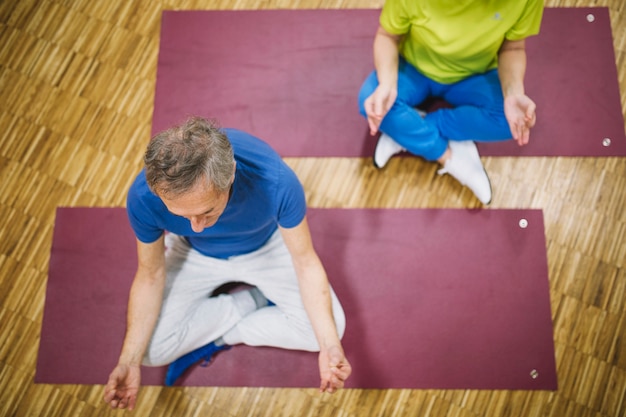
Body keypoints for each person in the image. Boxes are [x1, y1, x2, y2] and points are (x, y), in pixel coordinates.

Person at [104, 117, 351, 410]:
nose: (197, 226)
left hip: (267, 246)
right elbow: (150, 274)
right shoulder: (144, 197)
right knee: (148, 353)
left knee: (330, 330)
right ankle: (253, 300)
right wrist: (127, 361)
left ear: (231, 173)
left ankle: (222, 337)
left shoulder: (276, 182)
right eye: (183, 216)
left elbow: (305, 261)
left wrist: (330, 347)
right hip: (193, 255)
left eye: (206, 211)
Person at [358, 0, 544, 205]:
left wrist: (513, 92)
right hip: (414, 69)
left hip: (474, 76)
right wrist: (387, 84)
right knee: (370, 100)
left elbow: (514, 48)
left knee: (511, 122)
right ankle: (449, 156)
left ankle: (409, 131)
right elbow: (387, 36)